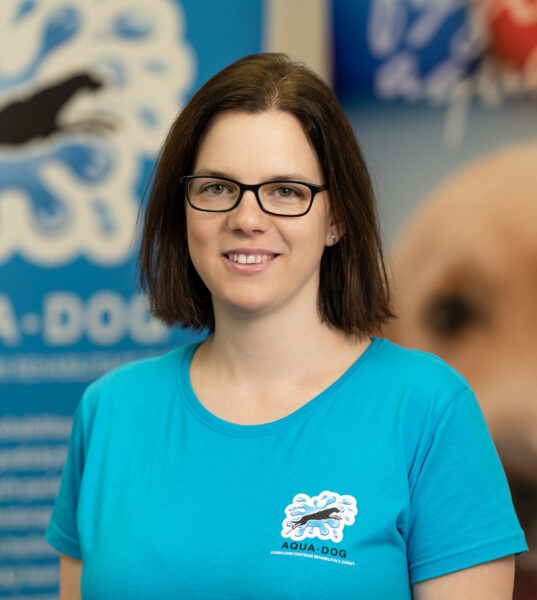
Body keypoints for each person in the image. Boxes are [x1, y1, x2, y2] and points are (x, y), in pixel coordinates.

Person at [46, 53, 527, 599]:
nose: (247, 219)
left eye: (286, 191)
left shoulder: (429, 410)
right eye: (217, 188)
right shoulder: (111, 411)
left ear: (337, 219)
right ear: (183, 210)